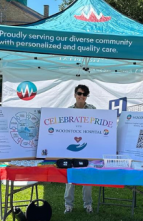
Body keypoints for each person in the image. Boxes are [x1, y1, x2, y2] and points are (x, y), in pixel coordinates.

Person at [64, 84, 96, 214]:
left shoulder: (93, 110)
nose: (81, 96)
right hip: (72, 149)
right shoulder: (68, 110)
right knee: (70, 178)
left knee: (87, 177)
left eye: (84, 94)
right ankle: (68, 205)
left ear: (87, 96)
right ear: (75, 95)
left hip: (87, 148)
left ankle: (88, 204)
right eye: (79, 93)